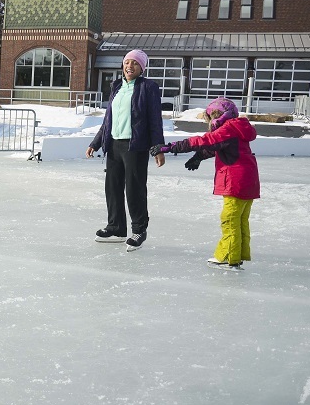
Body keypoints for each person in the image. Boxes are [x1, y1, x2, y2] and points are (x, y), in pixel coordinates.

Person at [151, 97, 260, 271]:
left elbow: (204, 141)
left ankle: (228, 258)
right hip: (249, 180)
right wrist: (199, 157)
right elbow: (220, 145)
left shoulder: (228, 128)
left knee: (230, 219)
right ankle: (238, 255)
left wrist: (169, 147)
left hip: (235, 181)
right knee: (240, 220)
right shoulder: (238, 128)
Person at [85, 49, 166, 251]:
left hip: (135, 145)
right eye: (127, 62)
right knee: (112, 188)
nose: (130, 66)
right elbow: (108, 120)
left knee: (134, 189)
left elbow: (155, 120)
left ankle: (139, 229)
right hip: (113, 144)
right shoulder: (117, 87)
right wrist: (96, 142)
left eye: (135, 63)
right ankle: (116, 227)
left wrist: (158, 148)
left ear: (141, 68)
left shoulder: (149, 87)